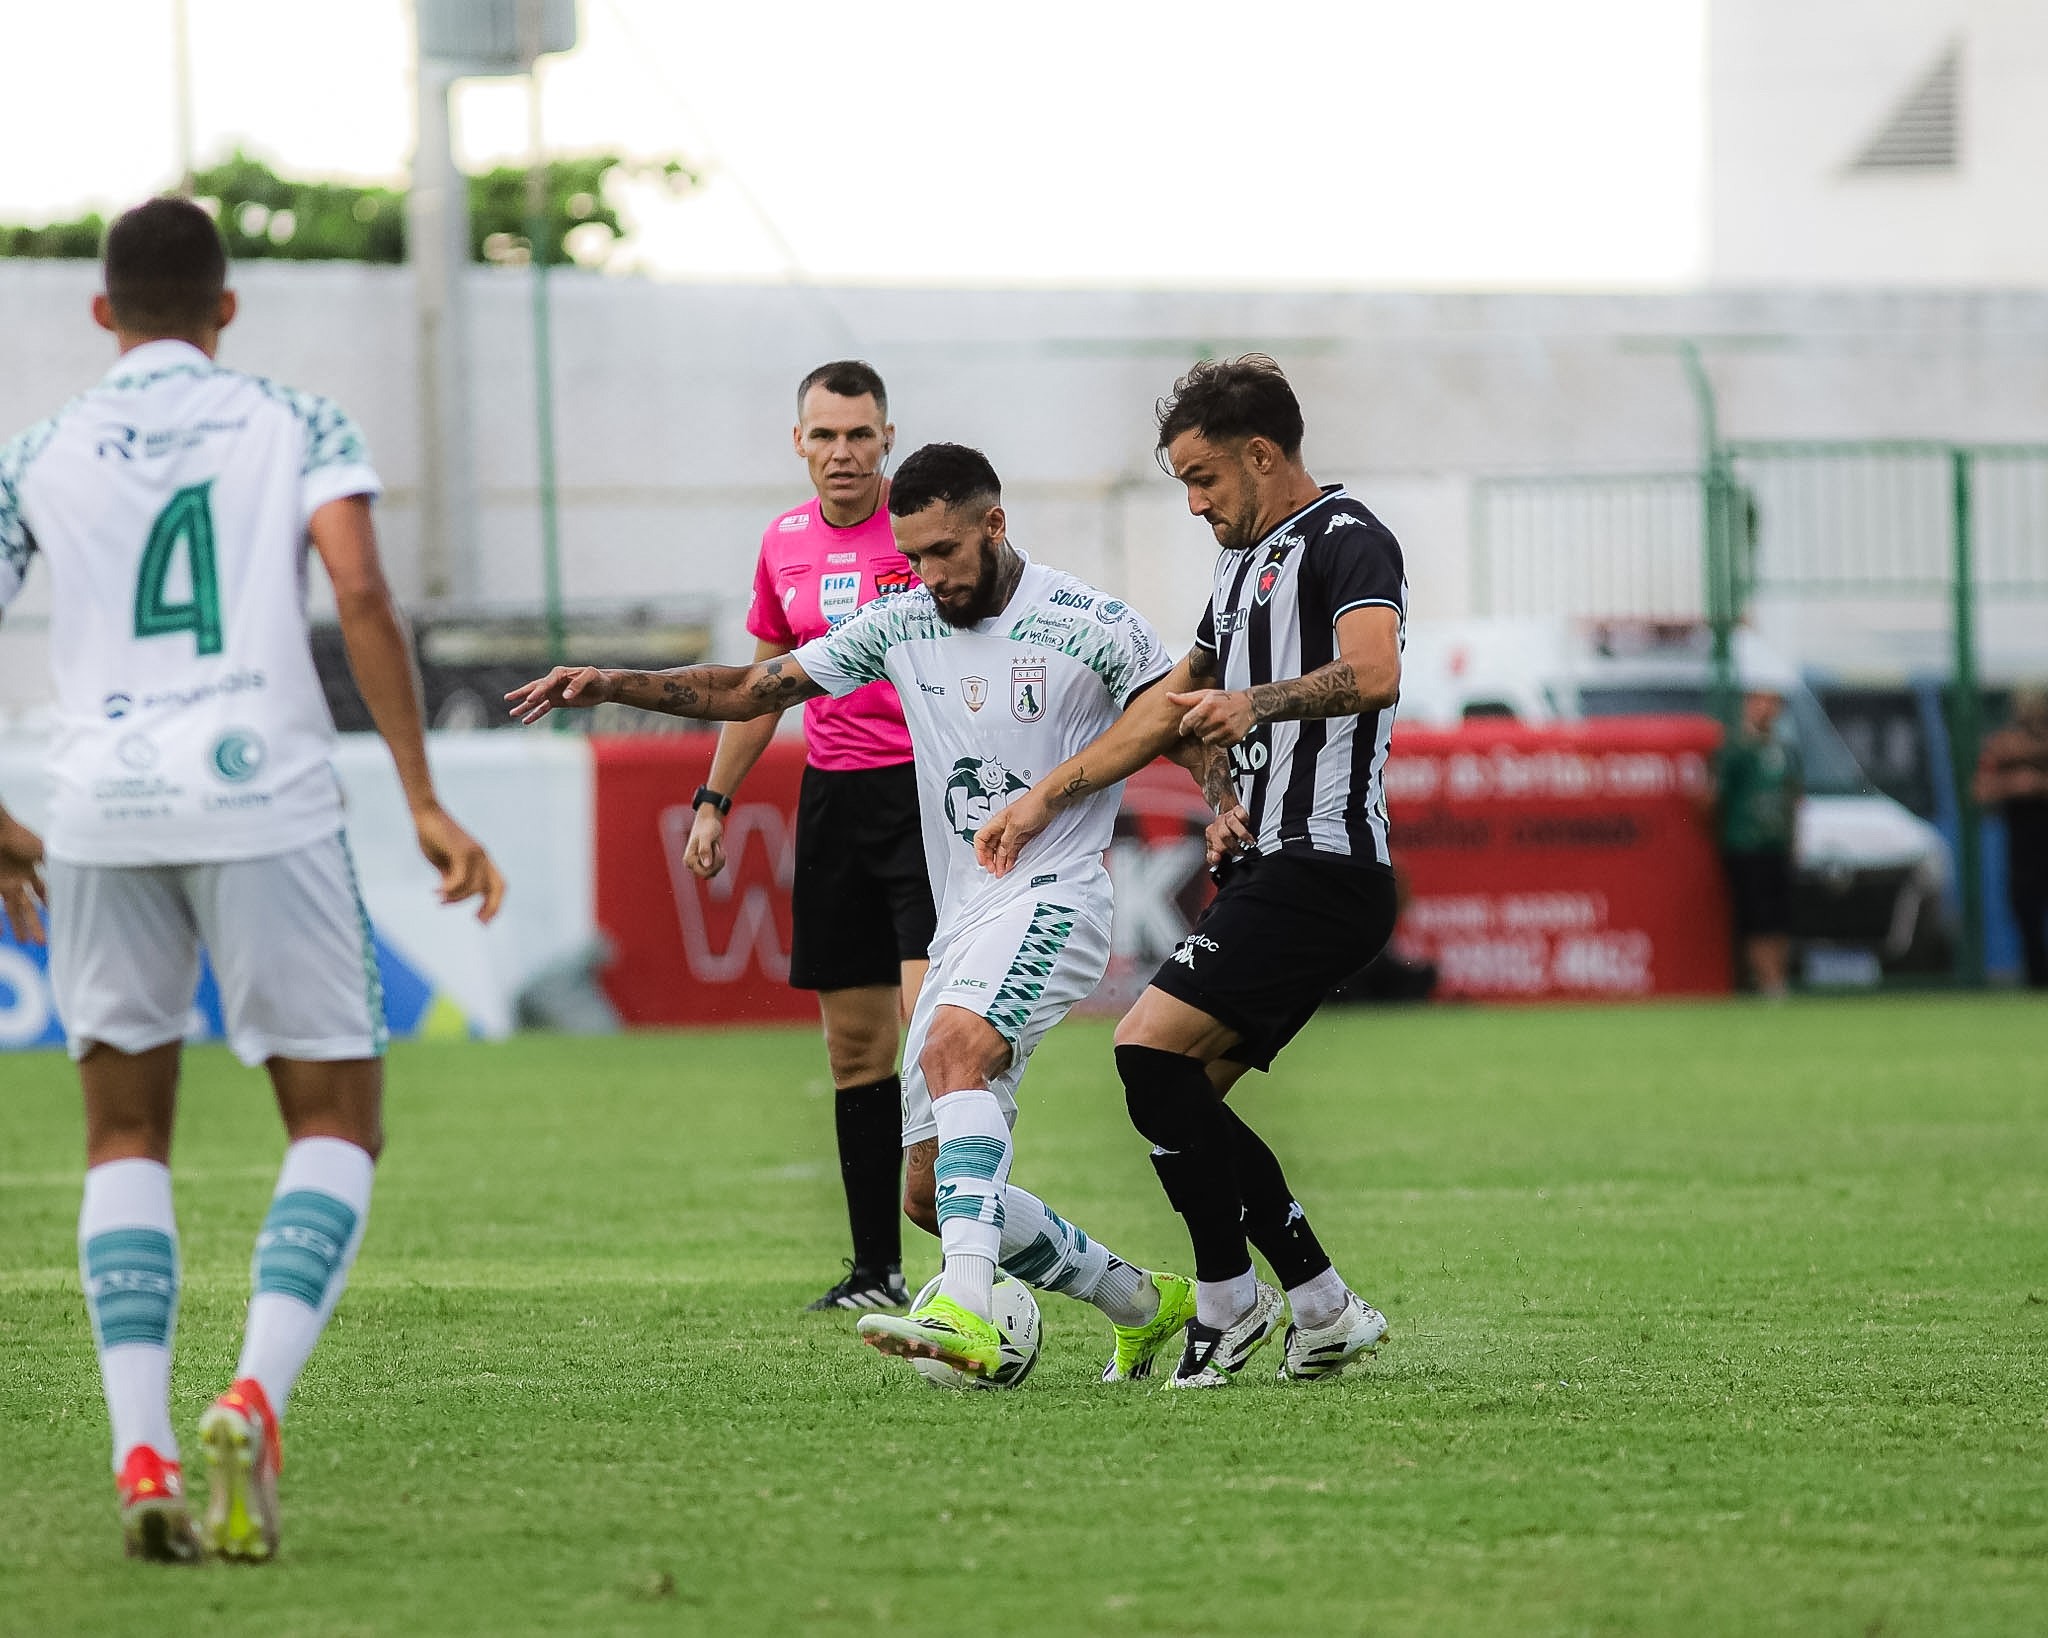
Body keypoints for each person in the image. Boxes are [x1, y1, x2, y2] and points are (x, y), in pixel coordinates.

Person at [0, 198, 505, 1562]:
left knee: (122, 1136)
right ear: (226, 308)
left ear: (100, 313)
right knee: (335, 1120)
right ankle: (251, 1400)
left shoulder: (38, 448)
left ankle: (140, 1449)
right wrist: (421, 794)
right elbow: (361, 593)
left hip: (98, 808)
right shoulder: (298, 419)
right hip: (260, 795)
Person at [509, 443, 1198, 1382]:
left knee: (952, 1050)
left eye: (945, 551)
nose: (930, 574)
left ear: (995, 525)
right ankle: (1144, 1304)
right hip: (964, 918)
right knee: (928, 1192)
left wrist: (1221, 802)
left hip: (1056, 896)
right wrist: (615, 682)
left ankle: (965, 1306)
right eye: (913, 556)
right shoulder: (901, 621)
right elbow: (753, 688)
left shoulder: (1089, 622)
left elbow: (1177, 716)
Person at [977, 354, 1403, 1389]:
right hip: (1269, 862)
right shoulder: (1239, 569)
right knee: (1173, 1098)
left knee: (1145, 1049)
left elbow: (1375, 670)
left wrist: (1252, 706)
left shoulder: (1349, 539)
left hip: (1328, 864)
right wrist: (1063, 796)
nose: (1193, 503)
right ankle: (1311, 1306)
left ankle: (1240, 1301)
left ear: (1260, 455)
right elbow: (1173, 710)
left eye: (1202, 478)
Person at [682, 360, 934, 1311]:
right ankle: (877, 1273)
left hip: (923, 800)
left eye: (860, 434)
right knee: (854, 1051)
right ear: (798, 441)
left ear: (887, 439)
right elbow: (762, 687)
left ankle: (973, 1263)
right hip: (833, 803)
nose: (842, 452)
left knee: (936, 1039)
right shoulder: (781, 541)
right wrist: (715, 800)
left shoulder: (923, 530)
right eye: (824, 435)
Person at [1716, 686, 1802, 997]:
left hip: (1776, 845)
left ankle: (1778, 979)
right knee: (1757, 916)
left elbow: (1794, 798)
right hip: (1747, 846)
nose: (1766, 709)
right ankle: (1768, 982)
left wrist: (1794, 840)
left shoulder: (1786, 751)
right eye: (1759, 702)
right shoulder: (1736, 750)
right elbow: (1713, 798)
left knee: (1781, 916)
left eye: (1772, 703)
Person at [1975, 687, 2048, 988]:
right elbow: (1980, 791)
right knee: (2027, 915)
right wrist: (2016, 783)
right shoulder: (2004, 749)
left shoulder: (2015, 748)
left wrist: (2037, 782)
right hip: (2025, 853)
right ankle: (2037, 983)